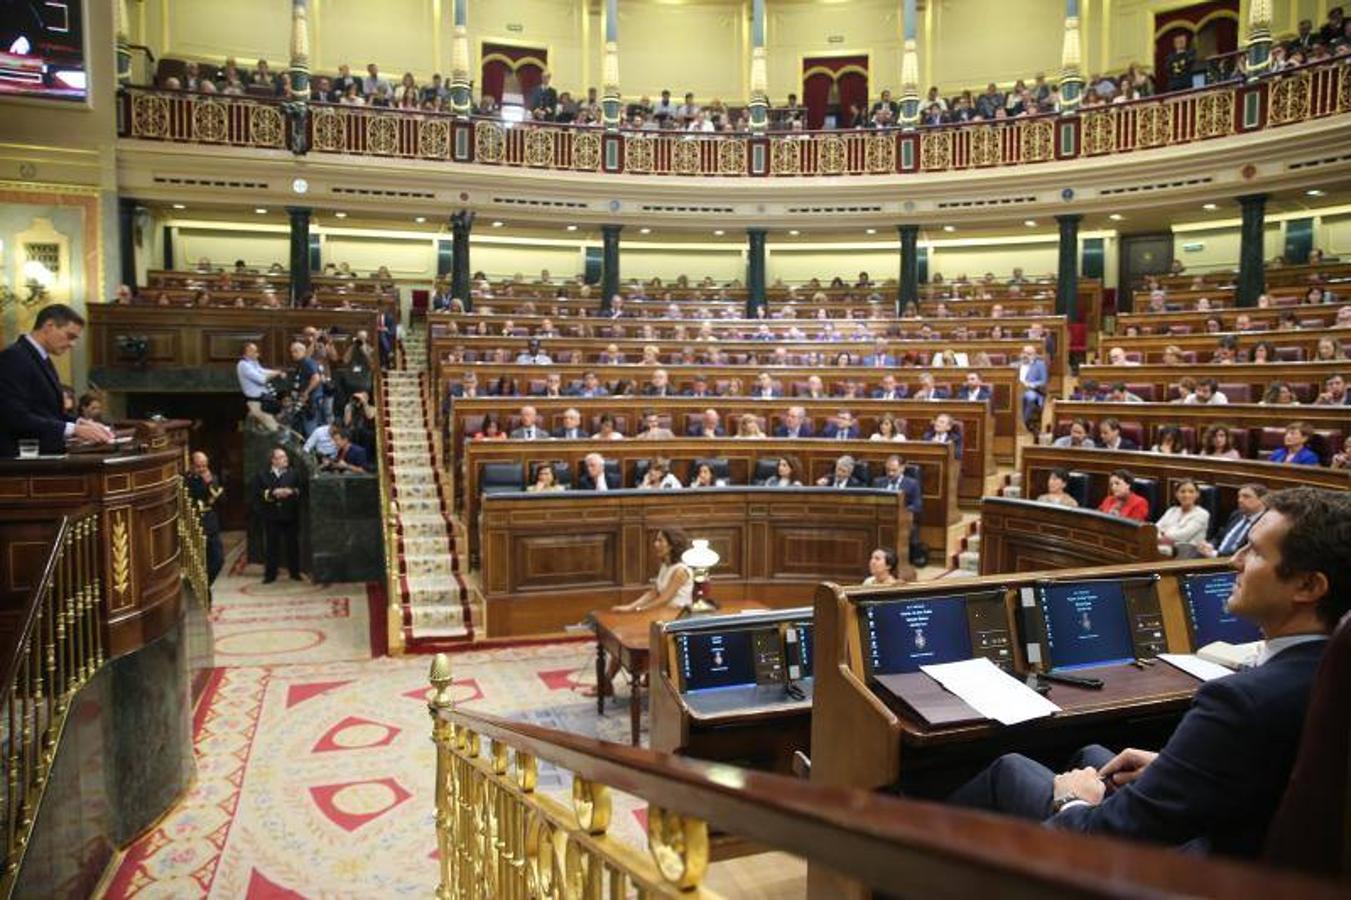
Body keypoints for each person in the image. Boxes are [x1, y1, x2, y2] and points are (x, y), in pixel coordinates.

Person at [949, 487, 1348, 860]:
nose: (1234, 560)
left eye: (1256, 552)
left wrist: (1069, 800)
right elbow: (1274, 780)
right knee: (1094, 756)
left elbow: (1101, 838)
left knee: (1011, 769)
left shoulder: (1241, 703)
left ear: (1308, 585)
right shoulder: (1329, 674)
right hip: (1256, 849)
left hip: (1202, 874)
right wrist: (1175, 767)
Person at [0, 304, 115, 456]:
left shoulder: (41, 357)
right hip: (22, 460)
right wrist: (73, 429)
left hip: (44, 455)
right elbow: (15, 417)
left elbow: (46, 412)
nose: (72, 344)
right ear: (49, 326)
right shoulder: (14, 357)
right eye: (70, 336)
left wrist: (79, 423)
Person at [254, 447, 302, 583]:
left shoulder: (294, 473)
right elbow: (257, 493)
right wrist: (272, 493)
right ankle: (270, 575)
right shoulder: (262, 475)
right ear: (273, 461)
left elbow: (301, 490)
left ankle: (295, 572)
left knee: (292, 545)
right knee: (271, 546)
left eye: (285, 457)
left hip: (290, 514)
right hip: (272, 515)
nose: (285, 459)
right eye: (281, 457)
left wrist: (291, 491)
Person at [186, 451, 225, 585]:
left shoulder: (212, 478)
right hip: (194, 525)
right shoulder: (186, 479)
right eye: (199, 466)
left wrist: (211, 484)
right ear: (191, 465)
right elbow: (195, 494)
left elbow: (222, 500)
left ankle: (205, 585)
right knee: (199, 563)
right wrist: (205, 483)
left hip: (211, 524)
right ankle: (202, 591)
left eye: (204, 466)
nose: (202, 469)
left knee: (218, 560)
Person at [1197, 483, 1267, 558]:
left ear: (1262, 500)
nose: (1240, 500)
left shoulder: (1265, 522)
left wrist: (1216, 555)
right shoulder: (1237, 514)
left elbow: (1245, 554)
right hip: (1214, 558)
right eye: (1239, 496)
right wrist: (1210, 545)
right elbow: (1219, 537)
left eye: (1246, 497)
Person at [1155, 479, 1210, 557]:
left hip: (1188, 553)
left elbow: (1183, 536)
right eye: (1182, 491)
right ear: (1176, 494)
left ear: (1197, 494)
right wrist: (1160, 538)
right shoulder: (1172, 510)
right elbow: (1156, 528)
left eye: (1191, 492)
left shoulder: (1202, 514)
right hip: (1165, 547)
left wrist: (1163, 535)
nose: (1186, 495)